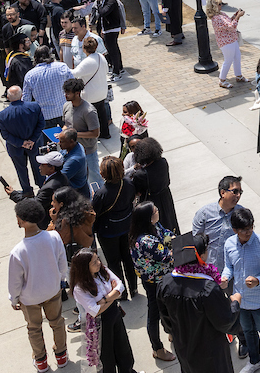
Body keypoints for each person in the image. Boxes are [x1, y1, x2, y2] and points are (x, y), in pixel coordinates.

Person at [158, 233, 238, 373]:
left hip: (184, 347)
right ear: (201, 256)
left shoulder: (165, 283)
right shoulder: (207, 289)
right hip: (210, 353)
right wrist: (235, 302)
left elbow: (166, 319)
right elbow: (225, 322)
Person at [8, 198, 69, 373]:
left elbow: (15, 281)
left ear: (21, 221)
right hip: (52, 289)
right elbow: (61, 261)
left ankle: (41, 362)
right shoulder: (53, 236)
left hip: (30, 298)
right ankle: (61, 356)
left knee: (34, 328)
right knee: (57, 322)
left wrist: (14, 299)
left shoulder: (17, 251)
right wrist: (61, 279)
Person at [220, 206, 260, 373]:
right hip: (241, 301)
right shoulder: (229, 244)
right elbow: (229, 266)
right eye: (244, 230)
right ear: (235, 230)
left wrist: (258, 280)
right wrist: (225, 277)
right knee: (248, 332)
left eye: (250, 228)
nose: (249, 233)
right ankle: (255, 361)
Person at [69, 247, 137, 373]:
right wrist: (113, 294)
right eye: (94, 262)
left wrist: (104, 299)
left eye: (98, 259)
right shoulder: (79, 288)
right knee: (106, 357)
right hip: (100, 323)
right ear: (84, 268)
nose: (99, 263)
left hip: (115, 314)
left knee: (123, 349)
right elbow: (95, 311)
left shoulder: (102, 271)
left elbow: (120, 286)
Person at [127, 202, 176, 362]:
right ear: (148, 217)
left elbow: (167, 233)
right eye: (155, 210)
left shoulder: (154, 226)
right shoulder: (146, 241)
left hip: (164, 278)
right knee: (155, 313)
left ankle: (171, 332)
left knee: (168, 308)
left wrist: (170, 238)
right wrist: (171, 243)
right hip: (154, 282)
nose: (158, 211)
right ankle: (157, 348)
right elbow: (167, 255)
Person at [92, 156, 138, 299]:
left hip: (108, 232)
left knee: (114, 263)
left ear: (103, 174)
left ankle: (121, 292)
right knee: (128, 259)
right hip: (127, 226)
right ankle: (134, 288)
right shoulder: (129, 184)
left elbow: (95, 213)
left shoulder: (101, 194)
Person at [0, 86, 46, 199]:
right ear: (21, 95)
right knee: (39, 167)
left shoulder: (2, 115)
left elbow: (5, 135)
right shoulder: (34, 107)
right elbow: (41, 125)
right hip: (35, 145)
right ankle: (43, 189)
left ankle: (27, 192)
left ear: (8, 97)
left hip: (15, 148)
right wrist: (33, 140)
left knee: (21, 170)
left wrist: (21, 143)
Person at [129, 135, 179, 233]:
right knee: (169, 221)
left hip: (150, 202)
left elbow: (137, 191)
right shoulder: (163, 162)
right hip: (165, 197)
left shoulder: (141, 174)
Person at [61, 77, 102, 188]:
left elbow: (95, 133)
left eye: (68, 93)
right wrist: (63, 131)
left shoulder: (89, 111)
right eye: (65, 93)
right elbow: (66, 124)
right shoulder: (66, 106)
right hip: (71, 150)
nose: (65, 95)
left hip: (87, 151)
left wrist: (73, 134)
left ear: (77, 93)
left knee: (94, 178)